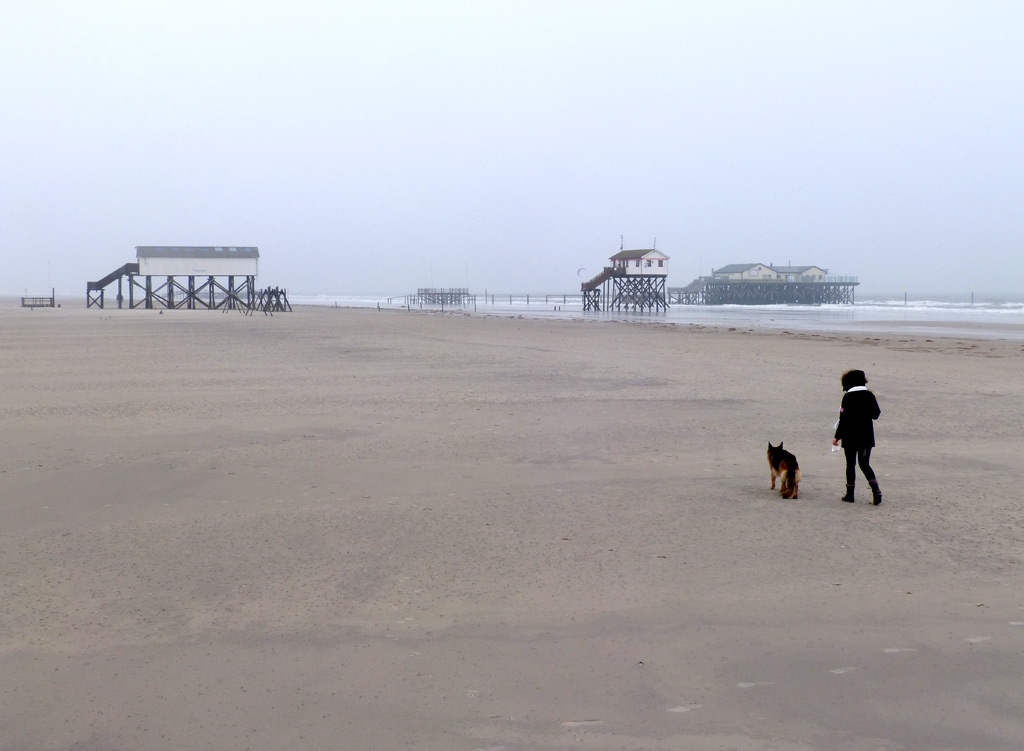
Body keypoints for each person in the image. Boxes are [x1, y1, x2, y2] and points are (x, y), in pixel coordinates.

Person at [832, 369, 882, 505]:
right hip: (866, 437)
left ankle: (850, 494)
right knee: (864, 464)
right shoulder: (869, 396)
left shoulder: (847, 397)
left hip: (850, 437)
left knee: (850, 465)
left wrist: (837, 437)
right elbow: (876, 414)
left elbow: (843, 419)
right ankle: (876, 491)